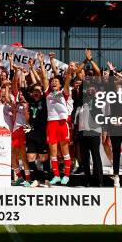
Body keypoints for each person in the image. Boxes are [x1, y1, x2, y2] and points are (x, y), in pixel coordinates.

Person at [40, 53, 75, 186]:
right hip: (51, 124)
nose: (53, 82)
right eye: (52, 81)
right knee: (53, 152)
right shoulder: (48, 93)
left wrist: (70, 73)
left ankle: (66, 175)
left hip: (62, 123)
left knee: (65, 151)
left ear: (60, 85)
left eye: (56, 81)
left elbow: (67, 81)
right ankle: (56, 175)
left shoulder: (64, 93)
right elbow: (44, 77)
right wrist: (41, 62)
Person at [74, 81, 104, 187]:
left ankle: (99, 180)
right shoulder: (81, 102)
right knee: (85, 158)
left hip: (94, 131)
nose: (90, 90)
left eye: (93, 88)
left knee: (96, 157)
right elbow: (76, 117)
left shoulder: (99, 100)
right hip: (82, 133)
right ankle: (87, 180)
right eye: (88, 88)